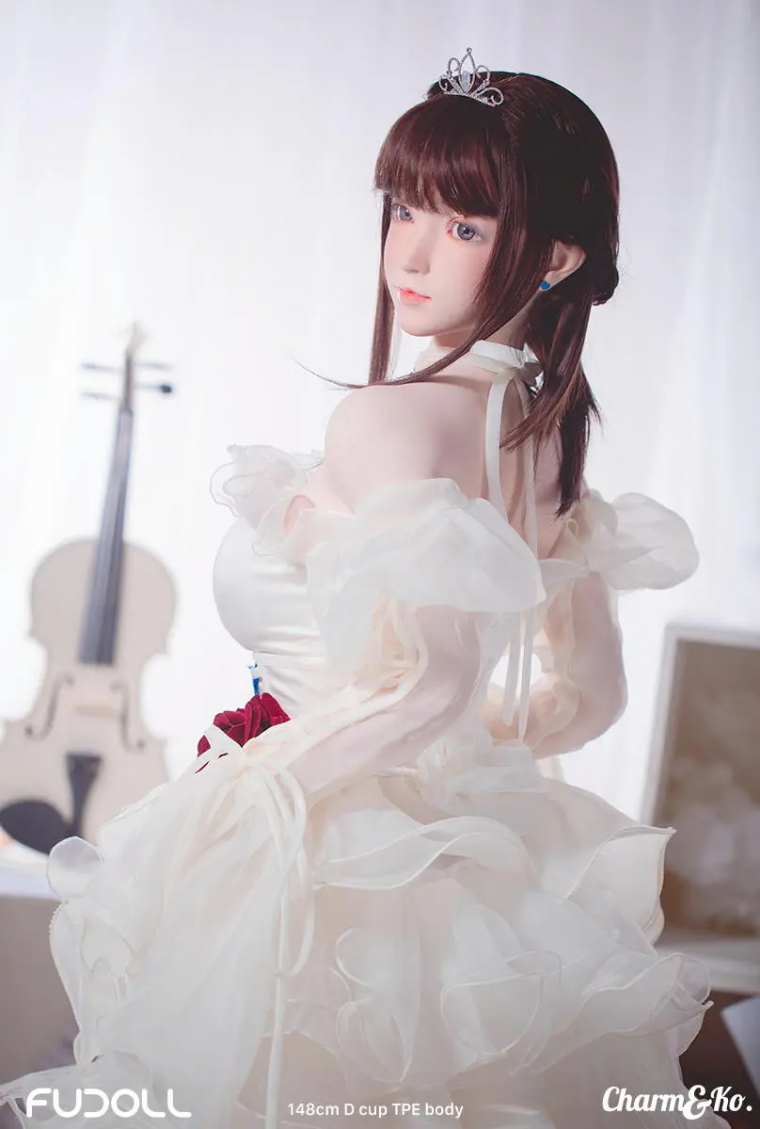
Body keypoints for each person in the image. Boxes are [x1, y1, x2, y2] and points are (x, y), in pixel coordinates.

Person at [0, 49, 729, 1129]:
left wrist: (252, 798)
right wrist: (463, 767)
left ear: (555, 256)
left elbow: (432, 685)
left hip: (329, 855)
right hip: (470, 864)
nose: (411, 252)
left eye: (464, 226)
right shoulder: (548, 443)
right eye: (403, 208)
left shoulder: (391, 421)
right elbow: (591, 698)